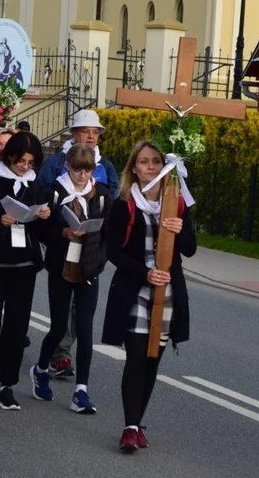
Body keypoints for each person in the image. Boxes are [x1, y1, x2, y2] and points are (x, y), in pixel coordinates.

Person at [104, 140, 196, 452]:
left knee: (153, 360)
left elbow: (190, 249)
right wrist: (144, 273)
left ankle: (137, 420)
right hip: (135, 291)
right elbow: (113, 251)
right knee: (137, 357)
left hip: (168, 292)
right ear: (133, 168)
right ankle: (129, 427)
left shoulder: (176, 202)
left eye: (156, 161)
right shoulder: (124, 204)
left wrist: (179, 227)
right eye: (143, 162)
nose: (150, 168)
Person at [37, 109, 119, 378]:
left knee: (84, 322)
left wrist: (100, 252)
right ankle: (54, 358)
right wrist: (60, 230)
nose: (92, 136)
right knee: (61, 318)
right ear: (74, 134)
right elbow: (43, 199)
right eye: (87, 131)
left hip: (90, 254)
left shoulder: (104, 165)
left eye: (96, 132)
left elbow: (112, 200)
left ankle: (78, 382)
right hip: (63, 252)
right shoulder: (56, 163)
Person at [30, 144, 111, 415]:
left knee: (85, 328)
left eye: (87, 170)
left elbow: (107, 232)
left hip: (89, 268)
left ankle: (81, 391)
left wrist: (97, 257)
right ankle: (41, 369)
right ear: (67, 166)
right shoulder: (54, 191)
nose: (81, 175)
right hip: (61, 265)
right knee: (58, 326)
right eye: (77, 169)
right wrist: (62, 233)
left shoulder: (100, 195)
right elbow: (40, 229)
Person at [0, 132, 51, 410]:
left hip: (24, 265)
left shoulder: (37, 184)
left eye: (31, 162)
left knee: (16, 326)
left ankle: (6, 385)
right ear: (9, 156)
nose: (25, 166)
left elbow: (46, 227)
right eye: (21, 160)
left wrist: (44, 216)